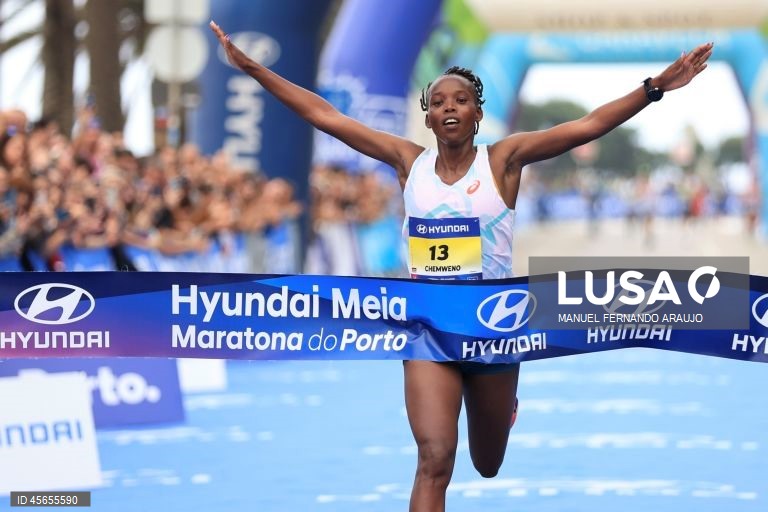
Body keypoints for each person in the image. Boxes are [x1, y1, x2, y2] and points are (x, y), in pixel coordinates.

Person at [210, 20, 712, 512]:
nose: (450, 107)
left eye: (461, 101)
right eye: (439, 102)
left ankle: (503, 411)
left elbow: (586, 127)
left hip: (495, 326)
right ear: (428, 117)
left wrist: (655, 88)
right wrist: (254, 69)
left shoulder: (504, 161)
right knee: (434, 459)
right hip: (428, 327)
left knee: (487, 462)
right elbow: (326, 116)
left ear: (477, 114)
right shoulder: (408, 163)